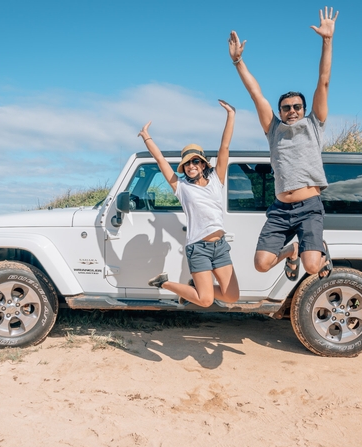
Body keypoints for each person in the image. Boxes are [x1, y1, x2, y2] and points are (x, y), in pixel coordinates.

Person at [228, 7, 338, 281]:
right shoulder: (273, 129)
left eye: (297, 106)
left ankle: (315, 254)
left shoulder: (314, 124)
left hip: (310, 207)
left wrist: (327, 41)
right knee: (262, 264)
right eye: (286, 107)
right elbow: (256, 94)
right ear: (280, 110)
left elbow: (323, 82)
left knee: (312, 267)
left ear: (303, 109)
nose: (292, 110)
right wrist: (238, 62)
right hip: (279, 210)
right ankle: (292, 251)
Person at [138, 100, 240, 307]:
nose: (191, 165)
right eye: (187, 163)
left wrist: (231, 115)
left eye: (195, 161)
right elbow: (160, 160)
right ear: (184, 168)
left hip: (220, 247)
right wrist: (147, 137)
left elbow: (225, 146)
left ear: (203, 164)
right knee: (205, 300)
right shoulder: (181, 187)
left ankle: (192, 288)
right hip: (199, 247)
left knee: (232, 297)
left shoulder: (215, 180)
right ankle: (164, 284)